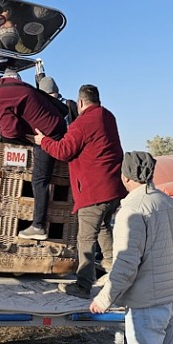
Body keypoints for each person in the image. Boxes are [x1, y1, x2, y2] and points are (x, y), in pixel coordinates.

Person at [89, 151, 173, 344]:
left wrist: (104, 298)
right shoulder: (172, 205)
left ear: (125, 177)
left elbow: (126, 263)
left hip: (149, 304)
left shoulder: (132, 210)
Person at [33, 84, 124, 297]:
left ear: (81, 102)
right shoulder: (108, 117)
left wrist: (43, 140)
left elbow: (63, 151)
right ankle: (114, 274)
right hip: (112, 189)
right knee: (103, 228)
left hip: (93, 191)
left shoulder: (82, 123)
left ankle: (83, 285)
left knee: (85, 239)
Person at [0, 71, 67, 240]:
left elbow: (11, 130)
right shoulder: (16, 86)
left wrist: (1, 130)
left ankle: (38, 226)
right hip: (55, 125)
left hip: (48, 133)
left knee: (40, 180)